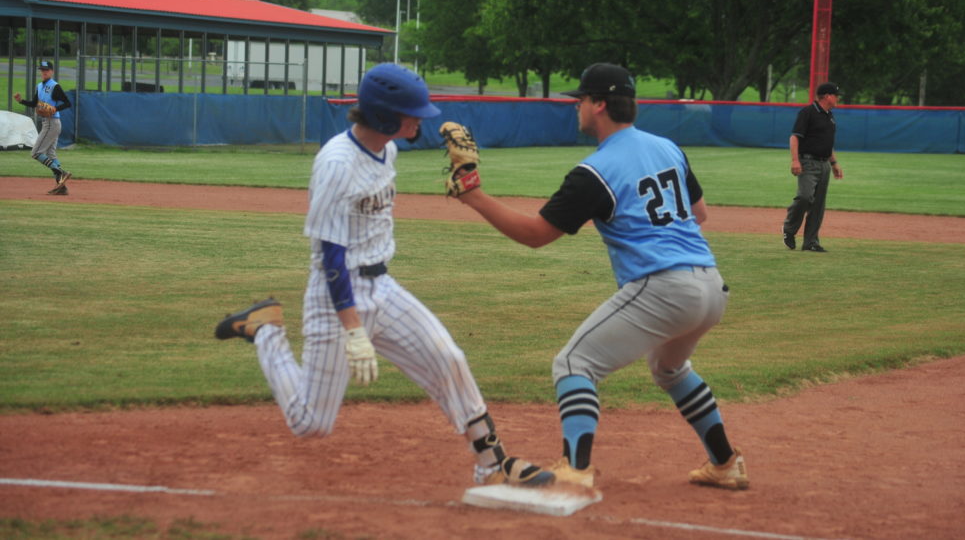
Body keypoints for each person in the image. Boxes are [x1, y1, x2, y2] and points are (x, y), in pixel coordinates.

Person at [214, 63, 551, 489]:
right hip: (336, 293)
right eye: (412, 114)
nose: (419, 121)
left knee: (448, 358)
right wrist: (353, 329)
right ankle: (265, 330)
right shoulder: (337, 163)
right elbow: (331, 255)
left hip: (383, 287)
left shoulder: (387, 150)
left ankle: (492, 464)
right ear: (384, 116)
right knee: (310, 422)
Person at [453, 63, 748, 491]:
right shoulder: (667, 147)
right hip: (711, 285)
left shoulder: (594, 171)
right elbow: (698, 214)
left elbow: (536, 235)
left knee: (574, 364)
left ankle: (576, 468)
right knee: (669, 368)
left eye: (582, 100)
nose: (577, 107)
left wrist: (475, 197)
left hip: (665, 287)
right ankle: (725, 463)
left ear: (599, 105)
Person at [782, 81, 843, 252]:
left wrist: (834, 163)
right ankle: (789, 228)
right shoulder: (808, 112)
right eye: (836, 95)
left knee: (818, 205)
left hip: (824, 164)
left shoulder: (830, 116)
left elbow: (826, 143)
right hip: (808, 162)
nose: (838, 98)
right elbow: (794, 137)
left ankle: (810, 242)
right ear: (827, 96)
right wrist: (795, 160)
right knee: (805, 196)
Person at [14, 60, 73, 195]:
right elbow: (34, 103)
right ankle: (61, 187)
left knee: (36, 152)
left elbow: (67, 103)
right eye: (42, 70)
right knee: (51, 155)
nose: (44, 72)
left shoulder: (55, 86)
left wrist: (55, 108)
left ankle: (61, 172)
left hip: (52, 122)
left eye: (46, 70)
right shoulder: (39, 86)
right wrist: (21, 101)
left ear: (52, 71)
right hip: (49, 123)